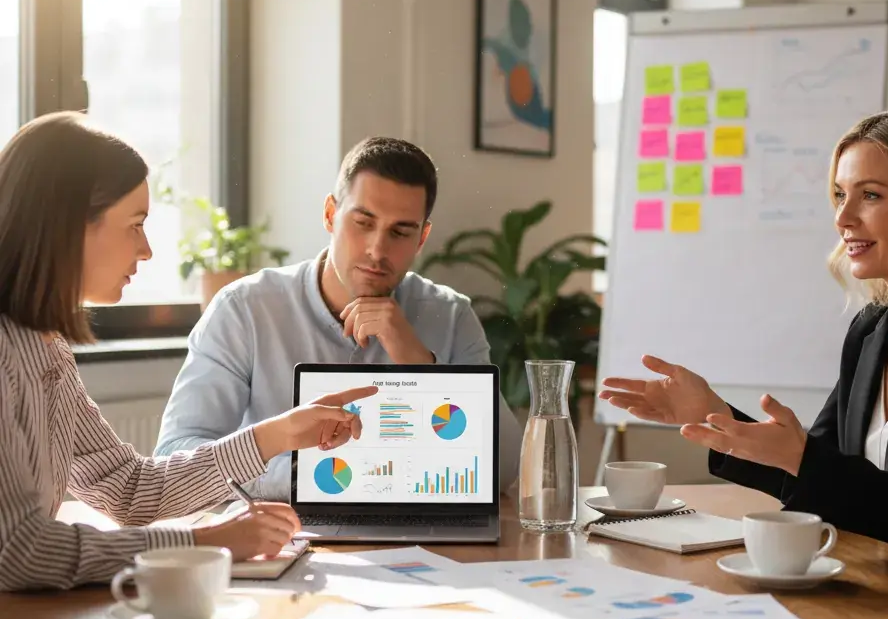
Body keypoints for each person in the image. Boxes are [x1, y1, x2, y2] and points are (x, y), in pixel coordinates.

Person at [600, 107, 888, 587]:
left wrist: (803, 458)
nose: (844, 217)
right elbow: (817, 471)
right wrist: (714, 415)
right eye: (840, 195)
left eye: (870, 195)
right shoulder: (872, 330)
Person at [0, 112, 377, 592]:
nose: (147, 251)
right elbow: (17, 550)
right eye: (135, 225)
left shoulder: (44, 346)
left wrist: (278, 434)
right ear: (70, 225)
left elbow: (129, 489)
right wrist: (203, 542)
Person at [155, 136, 521, 498]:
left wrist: (420, 365)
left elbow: (505, 468)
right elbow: (177, 455)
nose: (378, 250)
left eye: (400, 231)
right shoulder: (244, 309)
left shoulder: (452, 316)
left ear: (422, 237)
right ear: (331, 215)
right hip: (285, 530)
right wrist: (308, 476)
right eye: (363, 222)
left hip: (424, 537)